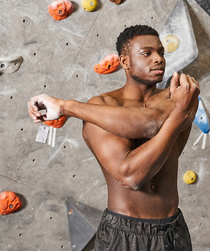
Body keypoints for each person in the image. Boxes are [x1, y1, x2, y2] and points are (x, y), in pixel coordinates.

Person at [27, 25, 200, 251]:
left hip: (173, 230)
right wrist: (177, 114)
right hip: (125, 232)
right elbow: (131, 176)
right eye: (147, 53)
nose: (158, 59)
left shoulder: (182, 95)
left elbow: (152, 120)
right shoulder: (102, 107)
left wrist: (65, 106)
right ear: (125, 62)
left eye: (161, 52)